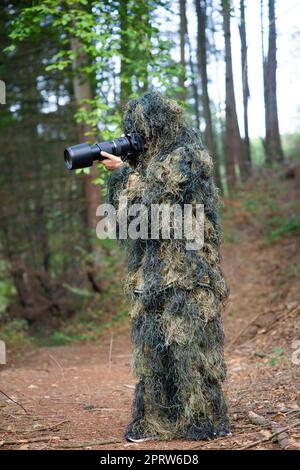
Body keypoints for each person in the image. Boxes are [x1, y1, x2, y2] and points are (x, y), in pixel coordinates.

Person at [101, 90, 230, 442]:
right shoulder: (144, 164)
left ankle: (201, 419)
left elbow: (161, 199)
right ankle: (158, 420)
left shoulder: (189, 155)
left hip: (189, 273)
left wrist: (123, 174)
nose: (141, 138)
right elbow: (128, 222)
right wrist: (122, 175)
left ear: (162, 125)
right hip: (151, 271)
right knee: (152, 351)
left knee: (190, 349)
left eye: (145, 130)